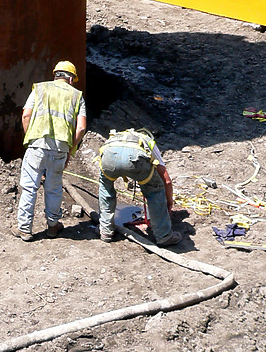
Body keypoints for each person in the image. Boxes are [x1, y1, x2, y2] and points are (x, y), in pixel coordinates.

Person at [11, 60, 87, 241]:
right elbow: (81, 128)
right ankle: (53, 226)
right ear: (70, 79)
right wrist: (70, 149)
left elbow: (26, 115)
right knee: (53, 189)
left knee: (29, 187)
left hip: (37, 144)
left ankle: (24, 229)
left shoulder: (39, 89)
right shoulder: (77, 95)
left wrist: (30, 137)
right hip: (60, 148)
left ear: (56, 75)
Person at [98, 127, 180, 246]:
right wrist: (169, 203)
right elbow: (166, 181)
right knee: (154, 191)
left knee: (105, 189)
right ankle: (164, 236)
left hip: (109, 156)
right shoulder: (147, 141)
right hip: (135, 159)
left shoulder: (115, 137)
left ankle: (105, 231)